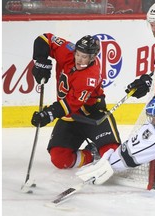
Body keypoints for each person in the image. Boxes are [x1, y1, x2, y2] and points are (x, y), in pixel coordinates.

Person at [30, 33, 121, 169]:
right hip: (70, 118)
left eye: (84, 57)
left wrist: (48, 114)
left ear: (93, 57)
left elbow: (70, 104)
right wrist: (40, 60)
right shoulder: (68, 52)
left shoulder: (90, 76)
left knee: (112, 155)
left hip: (93, 117)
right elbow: (44, 39)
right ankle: (92, 153)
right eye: (77, 54)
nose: (78, 59)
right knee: (60, 159)